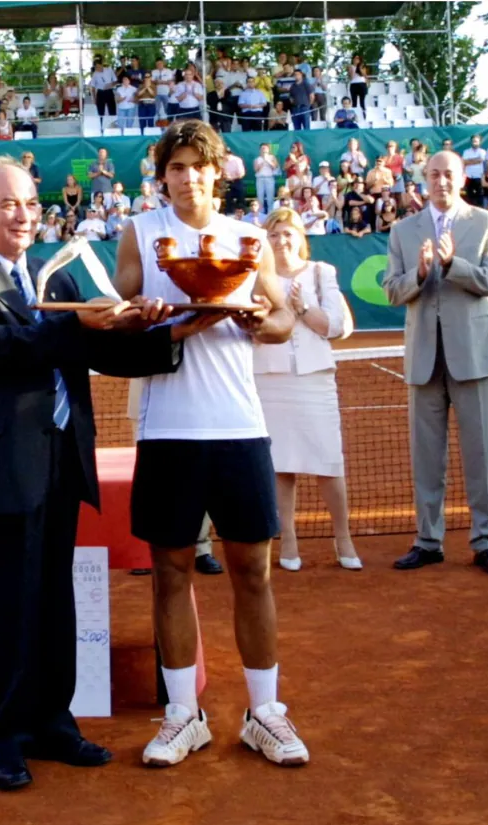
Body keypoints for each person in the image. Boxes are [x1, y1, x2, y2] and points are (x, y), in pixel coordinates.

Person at [0, 155, 204, 792]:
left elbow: (102, 350)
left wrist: (170, 330)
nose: (24, 214)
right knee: (5, 612)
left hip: (58, 462)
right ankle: (5, 738)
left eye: (29, 202)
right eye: (9, 205)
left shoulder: (56, 280)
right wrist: (76, 321)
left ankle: (53, 723)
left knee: (53, 603)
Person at [109, 120, 307, 769]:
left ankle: (264, 712)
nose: (189, 176)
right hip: (168, 430)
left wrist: (259, 320)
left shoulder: (250, 239)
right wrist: (144, 312)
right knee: (170, 573)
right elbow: (123, 311)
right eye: (177, 167)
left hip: (239, 428)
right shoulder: (139, 232)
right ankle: (181, 715)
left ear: (217, 171)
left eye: (200, 166)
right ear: (162, 174)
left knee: (253, 571)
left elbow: (280, 318)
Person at [382, 151, 488, 575]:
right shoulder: (402, 230)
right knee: (426, 458)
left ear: (463, 178)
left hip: (473, 356)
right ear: (424, 179)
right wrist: (418, 274)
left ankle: (486, 542)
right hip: (423, 357)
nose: (441, 181)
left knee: (482, 454)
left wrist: (453, 264)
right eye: (433, 174)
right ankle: (428, 541)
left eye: (448, 174)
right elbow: (392, 291)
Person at [255, 208, 360, 572]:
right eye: (274, 235)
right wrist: (268, 315)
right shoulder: (258, 277)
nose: (281, 241)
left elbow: (335, 326)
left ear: (301, 238)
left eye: (288, 234)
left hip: (315, 378)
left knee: (329, 462)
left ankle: (343, 537)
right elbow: (253, 332)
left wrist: (301, 308)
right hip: (269, 378)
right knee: (281, 466)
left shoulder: (321, 273)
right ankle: (289, 541)